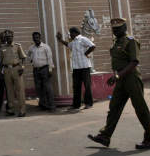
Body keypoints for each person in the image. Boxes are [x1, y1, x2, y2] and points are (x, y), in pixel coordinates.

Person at [88, 18, 150, 149]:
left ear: (125, 28)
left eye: (118, 28)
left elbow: (134, 62)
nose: (115, 31)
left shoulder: (131, 41)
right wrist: (116, 76)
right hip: (121, 79)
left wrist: (117, 75)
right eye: (114, 29)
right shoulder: (116, 43)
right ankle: (105, 136)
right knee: (114, 107)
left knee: (140, 108)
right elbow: (117, 62)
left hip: (132, 78)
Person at [57, 26, 95, 111]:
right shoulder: (73, 42)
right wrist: (60, 40)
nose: (70, 35)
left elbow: (92, 46)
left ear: (75, 33)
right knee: (76, 87)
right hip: (76, 68)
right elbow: (68, 45)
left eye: (70, 33)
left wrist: (86, 53)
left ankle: (88, 103)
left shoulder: (83, 39)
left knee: (87, 86)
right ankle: (76, 105)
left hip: (85, 67)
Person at [0, 29, 27, 117]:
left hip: (16, 69)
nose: (8, 38)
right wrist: (0, 71)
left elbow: (23, 58)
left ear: (12, 37)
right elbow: (1, 61)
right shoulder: (2, 47)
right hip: (6, 70)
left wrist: (22, 67)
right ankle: (11, 109)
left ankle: (22, 110)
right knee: (9, 90)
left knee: (19, 90)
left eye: (10, 36)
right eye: (7, 37)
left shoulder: (17, 46)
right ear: (5, 38)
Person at [27, 32, 55, 112]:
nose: (36, 39)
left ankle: (52, 106)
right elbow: (27, 56)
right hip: (36, 70)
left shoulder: (45, 47)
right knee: (39, 88)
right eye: (34, 38)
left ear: (40, 38)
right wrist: (31, 59)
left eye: (37, 37)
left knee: (48, 88)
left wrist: (50, 70)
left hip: (45, 69)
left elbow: (50, 58)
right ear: (33, 39)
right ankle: (43, 105)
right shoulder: (31, 48)